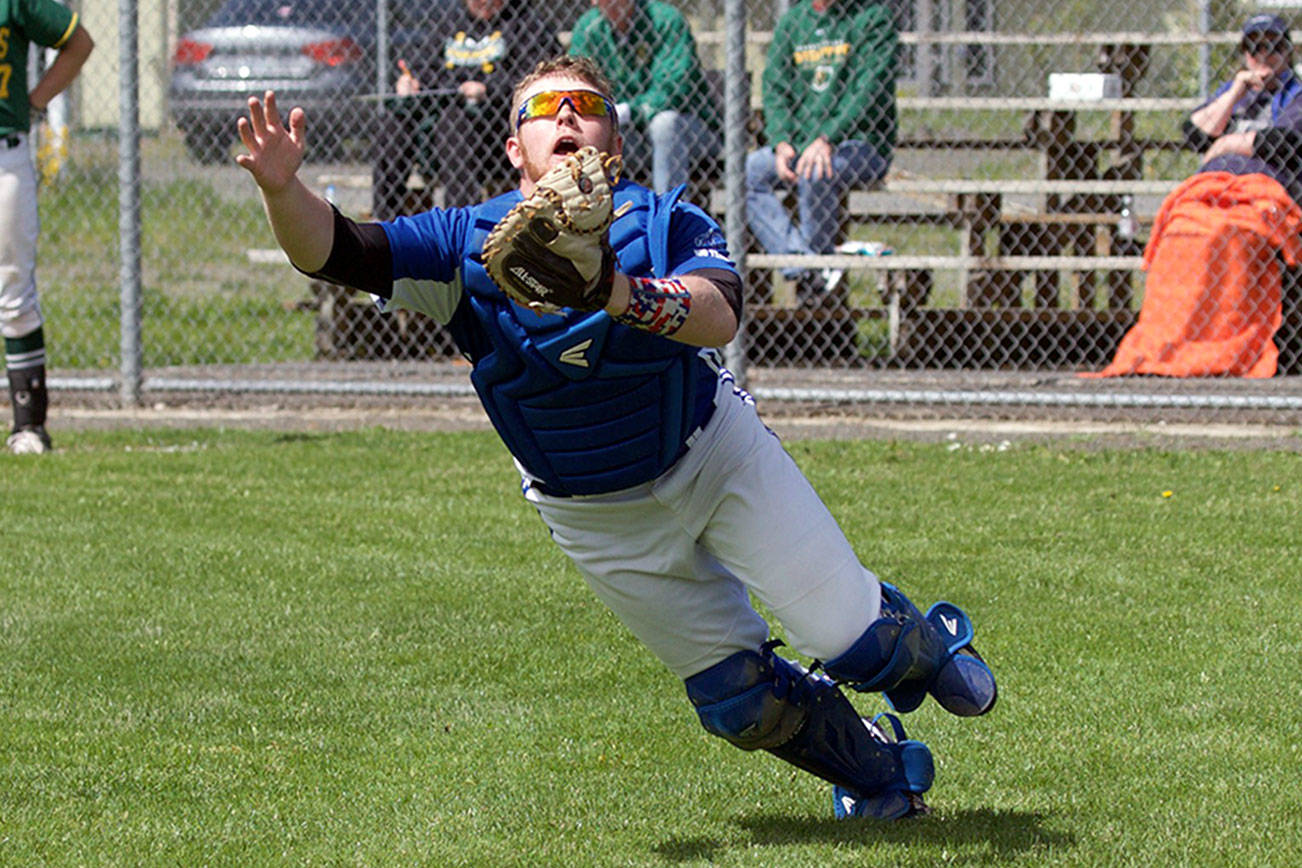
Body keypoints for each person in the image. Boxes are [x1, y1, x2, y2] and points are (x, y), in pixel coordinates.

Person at [235, 54, 996, 820]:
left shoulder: (663, 219)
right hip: (595, 515)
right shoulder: (463, 241)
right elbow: (335, 250)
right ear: (514, 148)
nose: (567, 116)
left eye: (587, 106)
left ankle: (925, 647)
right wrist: (281, 190)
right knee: (737, 703)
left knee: (860, 644)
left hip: (713, 455)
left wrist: (611, 289)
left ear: (616, 144)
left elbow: (719, 315)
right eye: (545, 109)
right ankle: (880, 772)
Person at [746, 0, 897, 307]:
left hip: (860, 143)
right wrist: (781, 141)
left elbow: (868, 90)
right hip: (800, 144)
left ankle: (816, 276)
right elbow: (775, 88)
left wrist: (828, 138)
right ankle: (805, 264)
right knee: (748, 172)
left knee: (815, 169)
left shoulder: (873, 18)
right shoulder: (793, 22)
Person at [1, 5, 93, 454]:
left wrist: (35, 102)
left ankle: (29, 425)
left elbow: (78, 43)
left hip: (5, 153)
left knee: (13, 290)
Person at [371, 0, 558, 218]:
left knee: (453, 122)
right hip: (437, 120)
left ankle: (462, 222)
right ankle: (385, 221)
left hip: (494, 126)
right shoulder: (449, 23)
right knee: (392, 124)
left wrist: (489, 90)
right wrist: (410, 81)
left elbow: (537, 79)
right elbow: (422, 67)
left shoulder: (526, 24)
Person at [568, 0, 720, 194]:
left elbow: (675, 87)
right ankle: (595, 207)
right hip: (628, 133)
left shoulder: (665, 20)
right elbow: (578, 84)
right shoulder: (589, 28)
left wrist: (631, 110)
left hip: (690, 129)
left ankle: (669, 209)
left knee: (664, 124)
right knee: (592, 129)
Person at [1184, 14, 1302, 156]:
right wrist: (1233, 94)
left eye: (1273, 46)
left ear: (1287, 53)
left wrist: (1226, 143)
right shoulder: (1232, 89)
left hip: (1263, 170)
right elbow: (1195, 136)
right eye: (1254, 47)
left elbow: (1287, 140)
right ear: (1245, 54)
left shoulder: (1295, 92)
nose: (1263, 55)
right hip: (1219, 169)